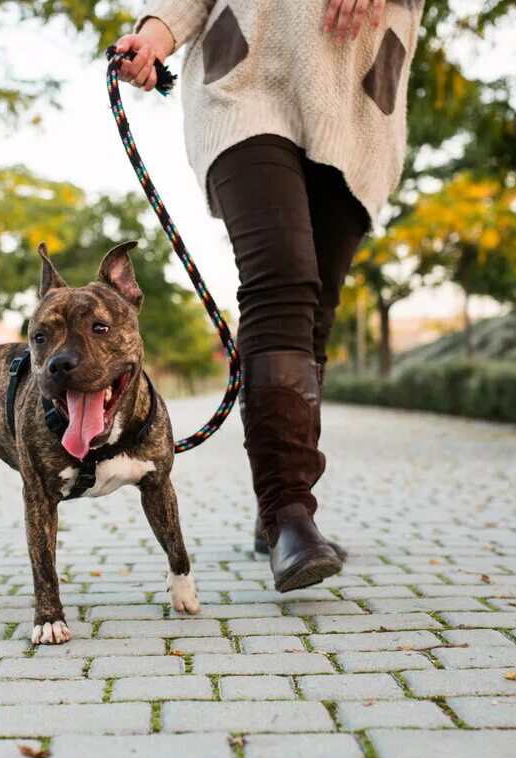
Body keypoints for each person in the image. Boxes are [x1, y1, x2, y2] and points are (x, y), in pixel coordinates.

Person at [115, 0, 423, 592]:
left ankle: (278, 507)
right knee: (281, 276)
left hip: (357, 92)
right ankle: (289, 513)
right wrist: (155, 35)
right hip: (247, 77)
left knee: (315, 311)